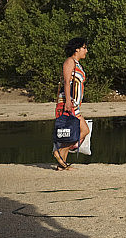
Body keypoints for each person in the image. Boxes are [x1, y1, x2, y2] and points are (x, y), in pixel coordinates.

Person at [53, 37, 91, 170]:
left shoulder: (77, 63)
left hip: (74, 103)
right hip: (68, 103)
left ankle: (61, 164)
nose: (86, 50)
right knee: (84, 130)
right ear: (77, 49)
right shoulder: (70, 62)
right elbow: (66, 82)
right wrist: (68, 101)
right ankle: (58, 152)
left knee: (70, 132)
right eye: (84, 48)